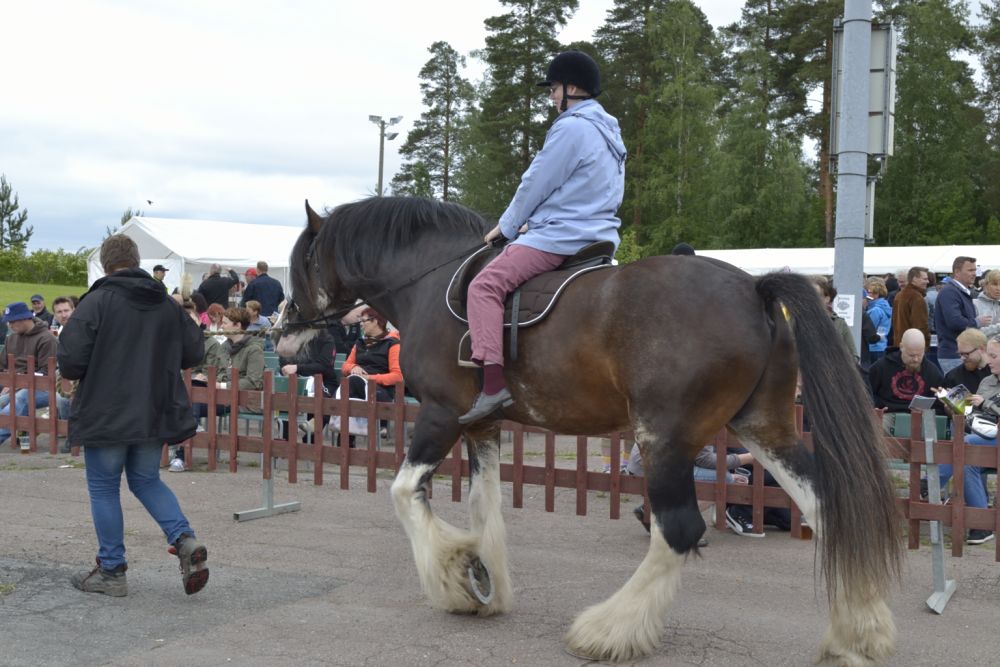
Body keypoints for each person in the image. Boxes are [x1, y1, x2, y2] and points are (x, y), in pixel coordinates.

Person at [460, 50, 626, 424]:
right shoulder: (611, 132)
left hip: (561, 238)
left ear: (572, 88)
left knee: (484, 286)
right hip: (599, 236)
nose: (551, 97)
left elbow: (535, 182)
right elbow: (584, 189)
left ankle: (492, 386)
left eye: (553, 89)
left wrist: (506, 226)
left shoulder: (571, 128)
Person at [58, 234, 209, 597]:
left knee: (104, 488)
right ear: (138, 261)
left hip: (106, 410)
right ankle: (183, 538)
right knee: (146, 480)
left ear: (106, 264)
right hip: (152, 408)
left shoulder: (97, 301)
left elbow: (71, 360)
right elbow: (194, 352)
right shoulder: (167, 304)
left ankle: (112, 571)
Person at [936, 333, 1000, 545]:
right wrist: (954, 404)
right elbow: (976, 416)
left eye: (993, 356)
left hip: (990, 438)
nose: (989, 360)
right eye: (989, 355)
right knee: (966, 462)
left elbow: (986, 408)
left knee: (965, 444)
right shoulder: (987, 381)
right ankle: (982, 526)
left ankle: (931, 482)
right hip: (986, 437)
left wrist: (986, 404)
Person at [0, 301, 58, 446]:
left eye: (12, 321)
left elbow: (46, 373)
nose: (9, 325)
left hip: (44, 388)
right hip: (15, 386)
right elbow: (2, 365)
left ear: (24, 318)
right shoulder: (11, 338)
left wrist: (17, 384)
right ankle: (23, 433)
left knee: (19, 399)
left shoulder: (47, 339)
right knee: (5, 401)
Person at [869, 328, 944, 430]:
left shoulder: (932, 372)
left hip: (920, 417)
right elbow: (866, 391)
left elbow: (940, 405)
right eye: (911, 355)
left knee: (932, 429)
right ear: (901, 347)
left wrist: (928, 410)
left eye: (920, 355)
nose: (916, 359)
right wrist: (877, 407)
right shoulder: (882, 366)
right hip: (889, 414)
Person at [935, 256, 990, 374]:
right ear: (957, 272)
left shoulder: (960, 292)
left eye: (975, 270)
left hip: (961, 353)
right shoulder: (949, 292)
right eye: (970, 270)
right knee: (958, 386)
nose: (974, 274)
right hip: (954, 355)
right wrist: (977, 322)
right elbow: (954, 322)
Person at [341, 308, 402, 403]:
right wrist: (353, 367)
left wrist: (368, 378)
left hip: (382, 390)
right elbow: (345, 367)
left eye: (363, 321)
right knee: (348, 385)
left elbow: (397, 377)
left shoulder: (392, 344)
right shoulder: (360, 343)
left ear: (375, 321)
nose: (361, 324)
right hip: (357, 385)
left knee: (352, 383)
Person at [891, 266, 931, 348]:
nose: (928, 281)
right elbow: (920, 325)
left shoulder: (899, 295)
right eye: (925, 279)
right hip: (914, 346)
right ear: (914, 279)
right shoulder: (916, 297)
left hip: (900, 343)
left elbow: (894, 322)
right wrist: (925, 344)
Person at [942, 328, 991, 393]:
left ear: (982, 349)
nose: (962, 358)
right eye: (960, 354)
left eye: (966, 354)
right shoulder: (954, 377)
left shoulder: (996, 372)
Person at [865, 277, 892, 361]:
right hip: (882, 345)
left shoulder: (875, 310)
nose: (867, 295)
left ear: (876, 294)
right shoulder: (885, 306)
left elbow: (869, 329)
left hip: (873, 347)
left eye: (869, 293)